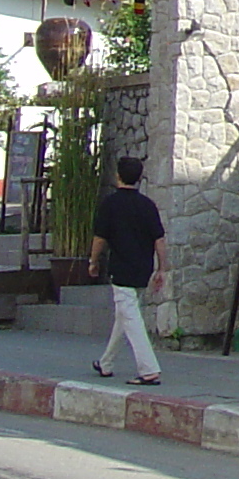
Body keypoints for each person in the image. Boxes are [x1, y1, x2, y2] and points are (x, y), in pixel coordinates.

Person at [88, 155, 168, 386]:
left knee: (130, 318)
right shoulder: (147, 205)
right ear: (139, 178)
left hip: (120, 270)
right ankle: (106, 362)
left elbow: (100, 238)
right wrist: (162, 268)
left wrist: (93, 262)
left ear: (118, 177)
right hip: (144, 269)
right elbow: (159, 239)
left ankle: (149, 369)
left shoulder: (110, 204)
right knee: (125, 316)